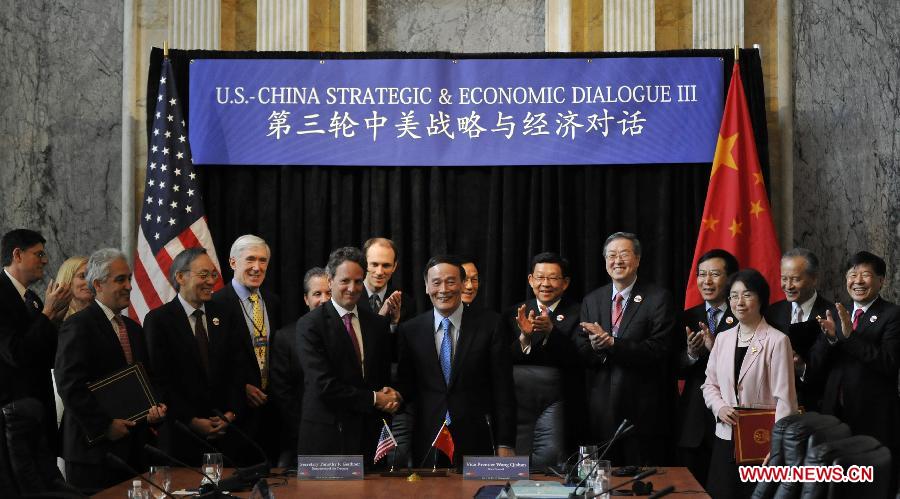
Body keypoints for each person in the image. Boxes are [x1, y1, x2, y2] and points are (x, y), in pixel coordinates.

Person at [54, 248, 167, 493]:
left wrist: (155, 406)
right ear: (98, 284)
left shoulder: (133, 328)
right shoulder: (78, 326)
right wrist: (105, 425)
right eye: (120, 280)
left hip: (133, 449)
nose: (129, 286)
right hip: (93, 451)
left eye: (129, 279)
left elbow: (147, 377)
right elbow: (70, 385)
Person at [396, 255, 515, 466]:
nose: (443, 289)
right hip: (427, 439)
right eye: (436, 282)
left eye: (451, 281)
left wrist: (505, 443)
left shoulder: (491, 325)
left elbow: (503, 389)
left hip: (476, 437)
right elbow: (407, 388)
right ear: (426, 286)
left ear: (462, 284)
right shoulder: (410, 330)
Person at [575, 232, 676, 465]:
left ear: (638, 259)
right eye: (611, 255)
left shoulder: (658, 298)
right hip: (601, 410)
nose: (617, 261)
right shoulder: (593, 300)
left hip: (642, 409)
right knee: (601, 479)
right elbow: (581, 350)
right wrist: (595, 347)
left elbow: (659, 349)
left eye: (624, 254)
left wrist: (612, 343)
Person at [296, 247, 400, 466]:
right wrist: (374, 398)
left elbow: (381, 377)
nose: (352, 288)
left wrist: (390, 394)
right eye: (345, 281)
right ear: (330, 280)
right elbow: (324, 385)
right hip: (328, 438)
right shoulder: (310, 325)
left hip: (370, 438)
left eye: (358, 281)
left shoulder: (376, 323)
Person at [702, 268, 797, 499]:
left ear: (761, 298)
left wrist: (777, 447)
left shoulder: (777, 340)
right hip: (725, 437)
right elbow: (709, 385)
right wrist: (720, 407)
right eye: (734, 296)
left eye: (747, 295)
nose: (739, 302)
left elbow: (785, 399)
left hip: (760, 442)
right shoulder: (723, 339)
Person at [145, 247, 244, 464]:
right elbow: (160, 380)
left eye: (213, 275)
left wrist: (231, 414)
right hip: (181, 436)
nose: (211, 281)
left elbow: (238, 370)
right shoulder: (159, 321)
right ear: (180, 277)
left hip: (226, 435)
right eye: (204, 275)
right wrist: (191, 421)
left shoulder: (226, 314)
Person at [809, 251, 899, 488]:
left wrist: (849, 337)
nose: (858, 281)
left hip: (873, 416)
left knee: (871, 486)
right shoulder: (837, 312)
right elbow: (818, 365)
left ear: (881, 281)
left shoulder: (892, 315)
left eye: (866, 275)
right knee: (835, 486)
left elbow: (889, 364)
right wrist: (830, 340)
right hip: (835, 415)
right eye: (852, 275)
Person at [211, 234, 282, 464]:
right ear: (233, 263)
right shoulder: (215, 304)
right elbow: (212, 361)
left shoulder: (273, 302)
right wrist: (241, 387)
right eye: (250, 259)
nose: (257, 267)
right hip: (233, 415)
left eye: (263, 261)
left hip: (270, 414)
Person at [0, 229, 71, 453]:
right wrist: (47, 314)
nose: (46, 260)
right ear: (17, 255)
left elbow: (47, 356)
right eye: (39, 254)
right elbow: (15, 353)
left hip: (39, 413)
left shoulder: (32, 299)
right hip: (13, 419)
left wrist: (54, 322)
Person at [677, 249, 738, 482]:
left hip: (730, 416)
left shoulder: (743, 314)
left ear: (730, 278)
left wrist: (716, 351)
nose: (707, 281)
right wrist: (691, 354)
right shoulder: (686, 317)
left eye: (714, 274)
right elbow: (673, 367)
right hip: (693, 422)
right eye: (702, 274)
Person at [269, 266, 330, 467]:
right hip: (299, 440)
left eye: (329, 293)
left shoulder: (349, 334)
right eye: (317, 294)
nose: (324, 299)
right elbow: (282, 394)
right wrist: (305, 429)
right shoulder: (285, 337)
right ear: (306, 299)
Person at [764, 248, 833, 411]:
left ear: (814, 279)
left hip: (819, 407)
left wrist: (802, 367)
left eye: (795, 279)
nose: (788, 286)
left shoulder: (832, 314)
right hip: (777, 405)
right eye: (784, 279)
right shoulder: (771, 312)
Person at [358, 237, 404, 326]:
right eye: (374, 264)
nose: (379, 272)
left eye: (386, 265)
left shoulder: (405, 303)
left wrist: (394, 323)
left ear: (394, 266)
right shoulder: (349, 298)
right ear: (364, 263)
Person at [54, 256, 91, 321]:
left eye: (92, 276)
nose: (89, 281)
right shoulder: (57, 321)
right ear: (67, 280)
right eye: (82, 276)